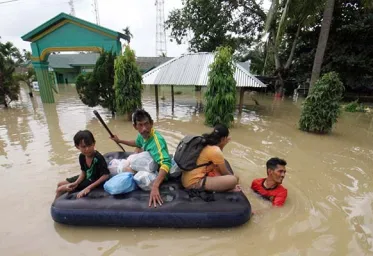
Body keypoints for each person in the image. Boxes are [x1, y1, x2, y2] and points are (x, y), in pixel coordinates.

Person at [111, 109, 171, 208]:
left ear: (151, 123)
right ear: (135, 126)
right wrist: (119, 140)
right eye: (140, 125)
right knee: (131, 159)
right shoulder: (142, 135)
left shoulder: (157, 141)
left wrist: (155, 186)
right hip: (151, 165)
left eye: (146, 124)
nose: (144, 129)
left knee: (126, 170)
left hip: (159, 173)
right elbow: (137, 143)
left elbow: (166, 163)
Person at [181, 124, 239, 192]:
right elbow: (225, 173)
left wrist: (222, 145)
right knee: (234, 179)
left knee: (221, 172)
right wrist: (234, 181)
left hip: (185, 179)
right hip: (193, 183)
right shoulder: (215, 150)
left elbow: (217, 159)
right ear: (223, 139)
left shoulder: (205, 140)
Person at [55, 130, 110, 199]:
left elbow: (105, 175)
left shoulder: (98, 158)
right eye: (83, 147)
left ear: (94, 143)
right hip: (86, 176)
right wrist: (76, 183)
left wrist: (88, 188)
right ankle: (59, 203)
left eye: (89, 145)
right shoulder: (82, 156)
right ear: (77, 147)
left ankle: (54, 207)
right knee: (60, 184)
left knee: (59, 189)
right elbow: (83, 172)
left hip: (93, 180)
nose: (87, 149)